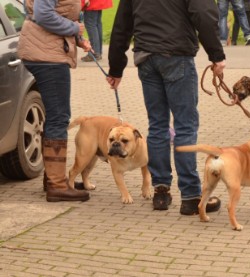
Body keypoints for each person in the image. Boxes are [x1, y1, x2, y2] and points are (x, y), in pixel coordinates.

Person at [106, 0, 226, 215]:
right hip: (176, 55)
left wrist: (116, 68)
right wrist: (216, 55)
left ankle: (160, 192)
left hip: (146, 58)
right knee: (185, 127)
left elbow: (121, 25)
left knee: (157, 126)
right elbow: (204, 14)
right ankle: (191, 196)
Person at [17, 0, 91, 202]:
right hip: (47, 55)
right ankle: (57, 185)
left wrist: (78, 38)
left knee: (55, 115)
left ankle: (52, 178)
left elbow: (60, 12)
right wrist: (74, 28)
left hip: (48, 50)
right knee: (59, 117)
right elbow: (43, 15)